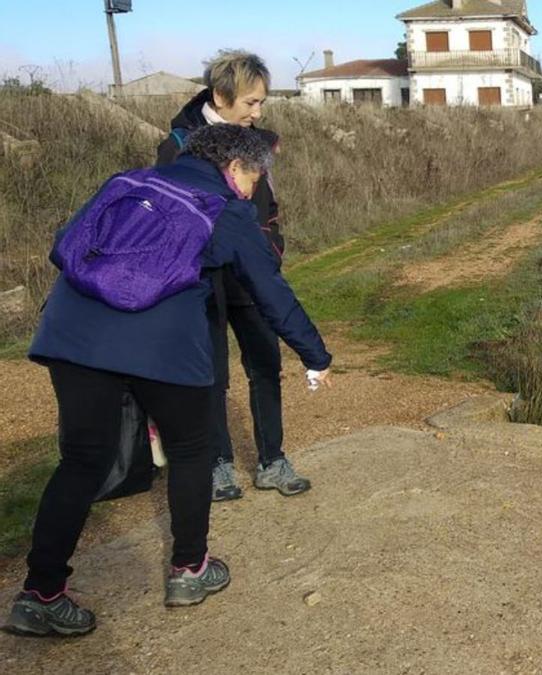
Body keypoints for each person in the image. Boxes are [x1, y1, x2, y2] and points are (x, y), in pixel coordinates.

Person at [6, 124, 332, 637]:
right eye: (254, 176)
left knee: (82, 460)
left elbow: (65, 245)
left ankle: (40, 594)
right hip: (162, 345)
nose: (253, 188)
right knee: (189, 450)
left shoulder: (126, 183)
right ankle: (189, 569)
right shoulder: (227, 209)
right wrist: (316, 355)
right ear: (233, 169)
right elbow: (270, 291)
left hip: (72, 336)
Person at [156, 50, 306, 501]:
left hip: (252, 276)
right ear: (221, 97)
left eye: (262, 103)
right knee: (210, 374)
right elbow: (168, 214)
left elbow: (270, 205)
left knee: (266, 364)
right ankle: (219, 465)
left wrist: (271, 248)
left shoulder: (257, 142)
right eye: (250, 103)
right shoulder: (177, 144)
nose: (258, 113)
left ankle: (273, 460)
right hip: (201, 282)